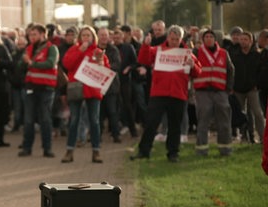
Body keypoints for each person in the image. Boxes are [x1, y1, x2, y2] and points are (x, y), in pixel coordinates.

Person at [130, 25, 201, 162]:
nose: (174, 41)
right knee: (151, 123)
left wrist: (193, 66)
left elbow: (197, 72)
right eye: (172, 38)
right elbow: (143, 60)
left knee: (175, 126)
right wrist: (145, 45)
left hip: (178, 94)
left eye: (177, 39)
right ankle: (144, 151)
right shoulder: (158, 50)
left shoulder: (187, 53)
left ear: (181, 39)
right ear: (168, 37)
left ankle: (173, 153)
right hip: (159, 93)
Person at [61, 25, 109, 163]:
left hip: (92, 90)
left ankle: (96, 152)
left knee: (94, 121)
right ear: (80, 37)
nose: (86, 38)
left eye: (88, 35)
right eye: (84, 35)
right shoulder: (74, 49)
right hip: (76, 88)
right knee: (74, 120)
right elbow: (67, 64)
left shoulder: (98, 51)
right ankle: (69, 151)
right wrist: (79, 51)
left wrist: (101, 64)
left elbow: (106, 70)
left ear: (93, 37)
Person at [18, 24, 59, 158]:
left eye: (34, 34)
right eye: (30, 35)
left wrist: (31, 63)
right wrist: (24, 62)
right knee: (28, 120)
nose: (31, 37)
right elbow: (20, 65)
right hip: (31, 88)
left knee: (45, 119)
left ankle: (47, 148)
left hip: (46, 89)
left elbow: (50, 63)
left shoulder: (51, 48)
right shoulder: (29, 48)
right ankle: (27, 147)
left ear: (43, 35)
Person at [193, 29, 235, 156]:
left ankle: (225, 148)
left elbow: (231, 70)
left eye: (211, 36)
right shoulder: (197, 52)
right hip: (203, 91)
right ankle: (201, 150)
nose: (209, 38)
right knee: (203, 121)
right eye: (206, 37)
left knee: (224, 121)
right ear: (203, 39)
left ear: (215, 39)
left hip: (220, 92)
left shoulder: (223, 53)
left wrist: (228, 87)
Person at [230, 31, 265, 143]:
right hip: (238, 88)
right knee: (241, 114)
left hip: (252, 88)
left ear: (251, 41)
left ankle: (263, 137)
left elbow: (261, 72)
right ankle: (244, 136)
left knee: (257, 113)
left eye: (246, 39)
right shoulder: (234, 55)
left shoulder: (257, 55)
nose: (243, 41)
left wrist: (257, 84)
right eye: (241, 39)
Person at [97, 27, 122, 143]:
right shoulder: (94, 49)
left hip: (111, 86)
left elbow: (117, 65)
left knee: (112, 111)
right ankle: (98, 135)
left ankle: (116, 135)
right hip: (97, 86)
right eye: (101, 35)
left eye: (105, 35)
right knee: (99, 113)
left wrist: (105, 67)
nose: (104, 37)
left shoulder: (113, 50)